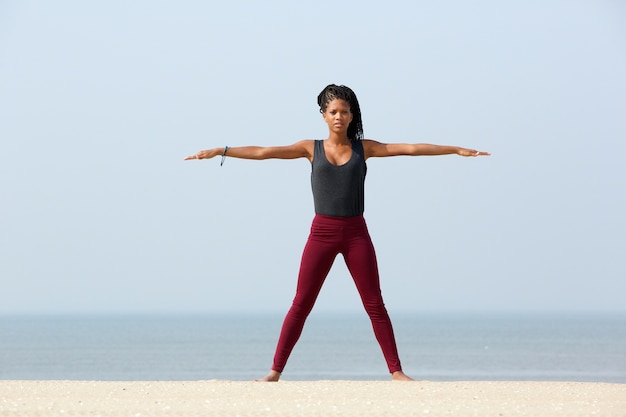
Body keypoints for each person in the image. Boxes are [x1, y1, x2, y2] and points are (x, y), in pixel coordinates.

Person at [185, 84, 489, 382]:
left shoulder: (364, 148)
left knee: (374, 304)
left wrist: (455, 150)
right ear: (323, 114)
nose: (339, 117)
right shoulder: (310, 148)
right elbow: (265, 152)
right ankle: (274, 372)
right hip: (321, 234)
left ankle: (396, 372)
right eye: (333, 111)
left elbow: (410, 148)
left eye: (344, 111)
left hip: (356, 234)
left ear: (352, 115)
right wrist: (221, 151)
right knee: (301, 304)